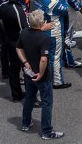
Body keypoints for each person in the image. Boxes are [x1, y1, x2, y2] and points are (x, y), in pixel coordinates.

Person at [17, 9, 65, 140]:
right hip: (42, 76)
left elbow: (18, 48)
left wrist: (25, 62)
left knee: (29, 98)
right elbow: (44, 59)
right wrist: (41, 73)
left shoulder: (24, 33)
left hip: (28, 73)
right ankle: (47, 131)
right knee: (47, 103)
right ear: (40, 23)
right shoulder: (44, 39)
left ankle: (26, 123)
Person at [33, 0, 71, 88]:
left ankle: (48, 76)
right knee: (56, 57)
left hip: (46, 29)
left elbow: (51, 2)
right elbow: (65, 8)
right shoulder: (51, 1)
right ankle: (57, 81)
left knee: (48, 55)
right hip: (55, 31)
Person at [0, 0, 30, 101]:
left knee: (13, 69)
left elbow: (0, 21)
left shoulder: (3, 6)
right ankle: (30, 94)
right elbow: (24, 30)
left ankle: (16, 95)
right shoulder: (18, 11)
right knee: (27, 68)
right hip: (19, 43)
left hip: (9, 40)